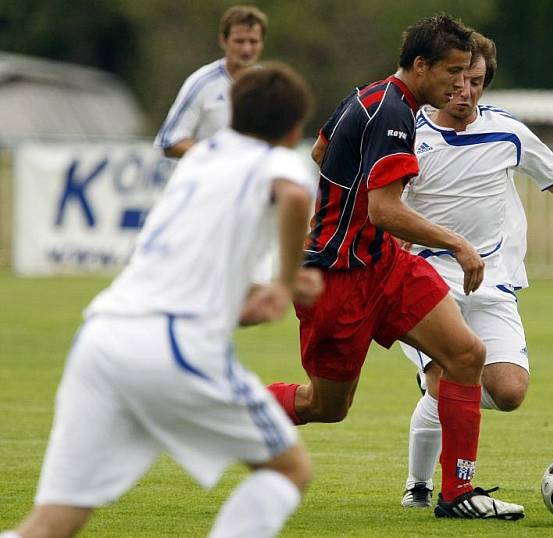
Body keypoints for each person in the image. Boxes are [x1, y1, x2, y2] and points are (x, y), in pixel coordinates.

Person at [2, 63, 321, 538]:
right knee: (288, 469)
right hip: (170, 342)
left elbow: (198, 269)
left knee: (53, 521)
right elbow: (294, 197)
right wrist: (284, 280)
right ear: (294, 128)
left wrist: (260, 291)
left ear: (230, 112)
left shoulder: (200, 158)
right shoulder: (276, 160)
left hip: (102, 336)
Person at [265, 15, 525, 520]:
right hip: (339, 278)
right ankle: (228, 408)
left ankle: (458, 494)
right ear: (421, 66)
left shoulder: (369, 95)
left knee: (467, 354)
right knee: (327, 406)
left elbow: (322, 150)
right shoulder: (394, 115)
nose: (459, 83)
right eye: (452, 71)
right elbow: (385, 210)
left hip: (385, 265)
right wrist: (459, 245)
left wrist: (348, 204)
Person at [397, 33, 553, 508]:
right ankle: (421, 487)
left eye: (475, 81)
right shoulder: (409, 131)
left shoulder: (508, 131)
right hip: (427, 277)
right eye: (457, 79)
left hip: (490, 280)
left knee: (509, 392)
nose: (464, 91)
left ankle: (443, 400)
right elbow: (385, 199)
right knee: (447, 376)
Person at [154, 5, 267, 158]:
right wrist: (216, 158)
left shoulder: (271, 86)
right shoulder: (202, 83)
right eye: (239, 41)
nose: (246, 49)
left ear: (262, 43)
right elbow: (169, 141)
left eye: (253, 41)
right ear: (223, 41)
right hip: (209, 179)